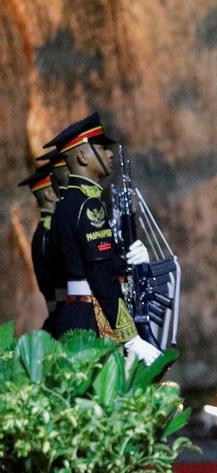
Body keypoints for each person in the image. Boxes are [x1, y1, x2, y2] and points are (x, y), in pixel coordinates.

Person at [44, 113, 160, 364]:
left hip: (75, 314)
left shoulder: (67, 204)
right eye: (101, 148)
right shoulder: (88, 206)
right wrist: (130, 337)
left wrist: (127, 261)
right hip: (93, 318)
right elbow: (101, 276)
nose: (109, 154)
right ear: (83, 157)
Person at [18, 157, 64, 332]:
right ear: (49, 194)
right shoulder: (49, 232)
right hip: (63, 314)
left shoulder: (44, 232)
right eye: (57, 187)